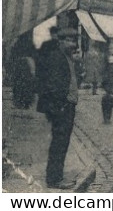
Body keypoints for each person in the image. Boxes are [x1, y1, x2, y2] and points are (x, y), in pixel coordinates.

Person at [35, 26, 80, 190]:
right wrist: (60, 106)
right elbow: (53, 85)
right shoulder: (56, 57)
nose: (74, 44)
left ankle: (56, 176)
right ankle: (54, 179)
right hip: (62, 107)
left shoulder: (66, 56)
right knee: (59, 143)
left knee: (62, 142)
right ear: (62, 41)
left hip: (67, 106)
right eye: (70, 41)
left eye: (74, 40)